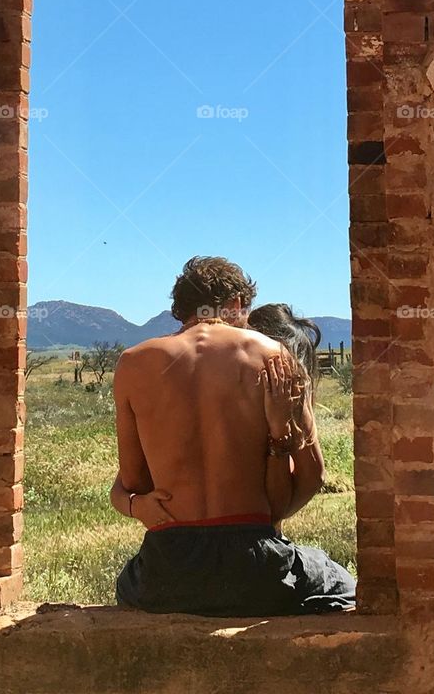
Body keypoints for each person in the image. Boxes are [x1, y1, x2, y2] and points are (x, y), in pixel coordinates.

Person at [110, 257, 356, 615]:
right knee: (343, 586)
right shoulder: (273, 356)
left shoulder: (133, 362)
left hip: (168, 568)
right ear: (237, 305)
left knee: (126, 585)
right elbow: (313, 474)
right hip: (256, 563)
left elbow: (133, 480)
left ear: (181, 310)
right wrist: (265, 518)